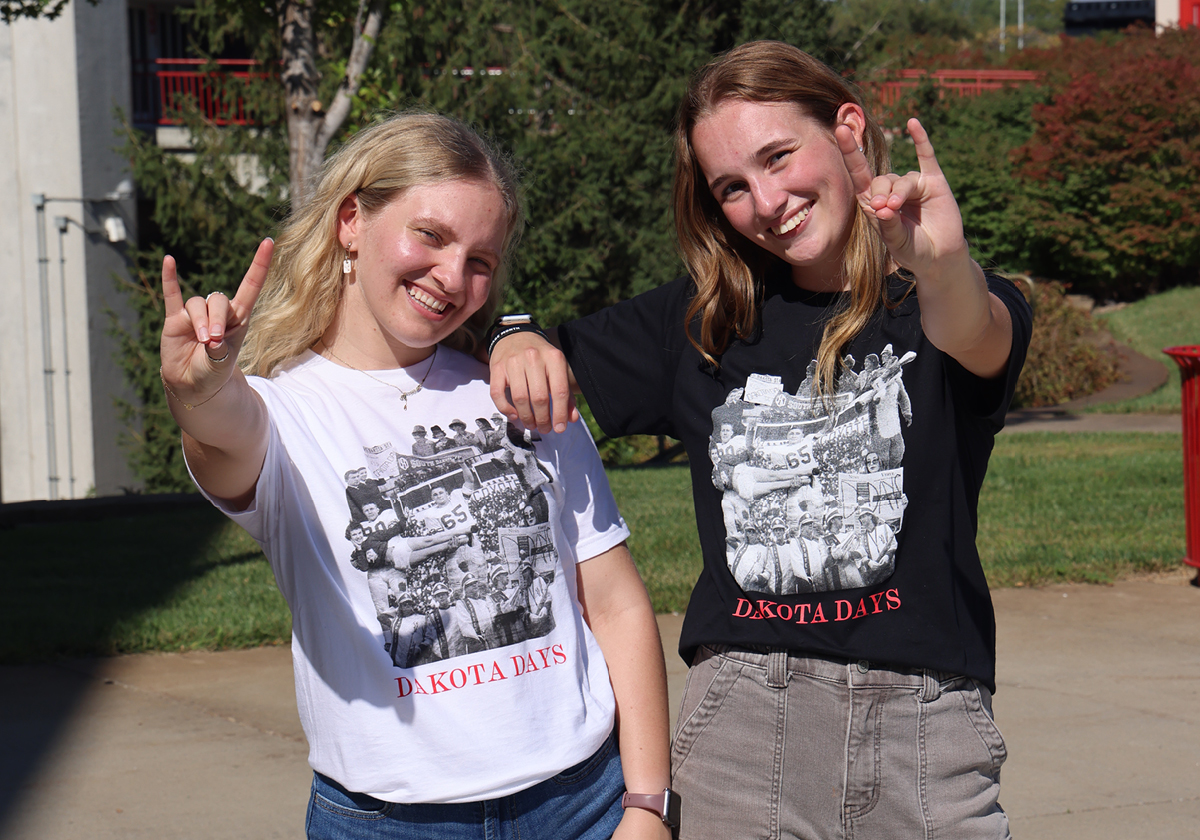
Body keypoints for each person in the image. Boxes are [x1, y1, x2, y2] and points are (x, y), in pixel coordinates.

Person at [489, 41, 1032, 840]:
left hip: (927, 735)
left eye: (778, 157)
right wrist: (511, 335)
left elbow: (975, 334)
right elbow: (522, 362)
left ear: (847, 130)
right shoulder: (701, 321)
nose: (768, 201)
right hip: (746, 730)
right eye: (732, 187)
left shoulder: (949, 305)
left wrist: (942, 264)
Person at [158, 112, 672, 840]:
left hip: (584, 804)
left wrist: (649, 805)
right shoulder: (281, 413)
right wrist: (197, 390)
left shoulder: (523, 389)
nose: (453, 278)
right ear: (351, 222)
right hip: (389, 822)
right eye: (430, 235)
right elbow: (220, 429)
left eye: (481, 260)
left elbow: (615, 605)